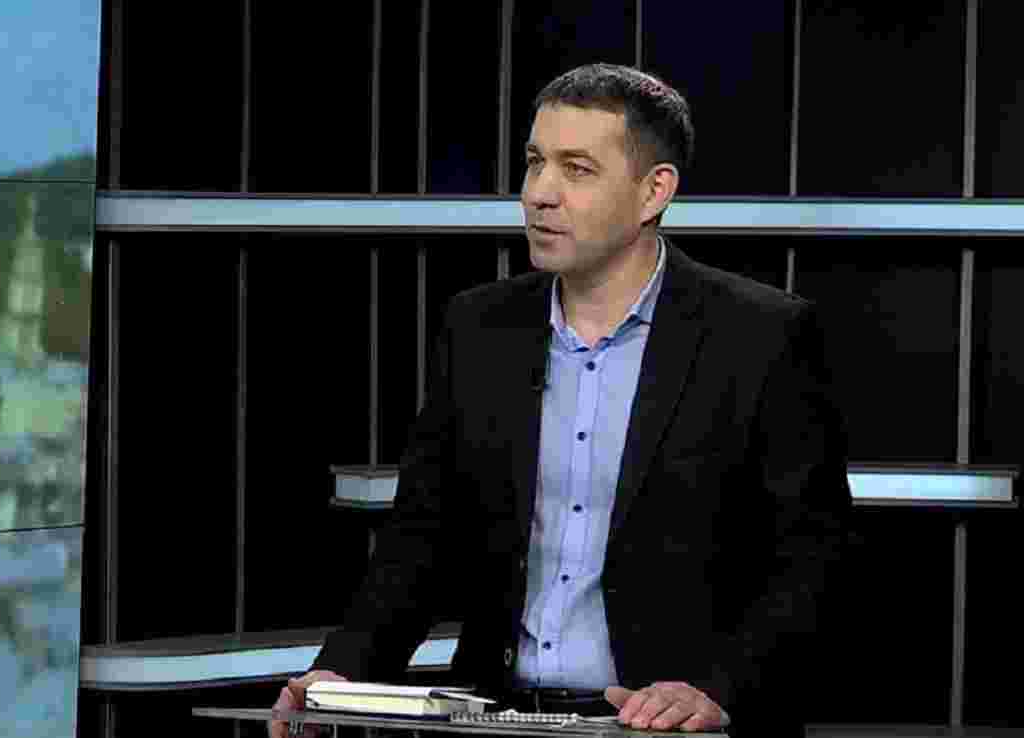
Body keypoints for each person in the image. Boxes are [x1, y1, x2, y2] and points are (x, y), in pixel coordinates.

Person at [270, 63, 851, 737]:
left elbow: (814, 557)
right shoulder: (479, 326)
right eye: (534, 162)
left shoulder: (761, 333)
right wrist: (342, 673)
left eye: (577, 169)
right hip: (498, 720)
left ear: (653, 191)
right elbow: (421, 537)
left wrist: (719, 688)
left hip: (666, 730)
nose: (539, 194)